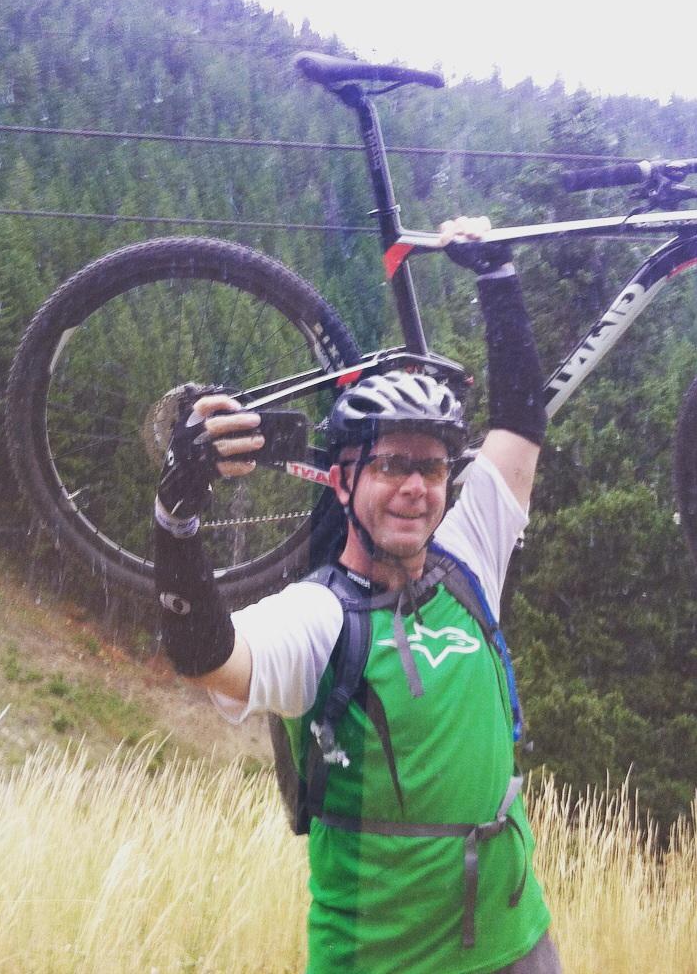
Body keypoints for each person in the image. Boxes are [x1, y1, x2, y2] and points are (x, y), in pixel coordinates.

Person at [152, 217, 562, 974]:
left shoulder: (468, 559)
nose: (415, 487)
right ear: (342, 480)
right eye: (391, 465)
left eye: (434, 469)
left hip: (519, 946)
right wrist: (177, 515)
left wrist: (500, 283)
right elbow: (206, 655)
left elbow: (520, 428)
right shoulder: (321, 617)